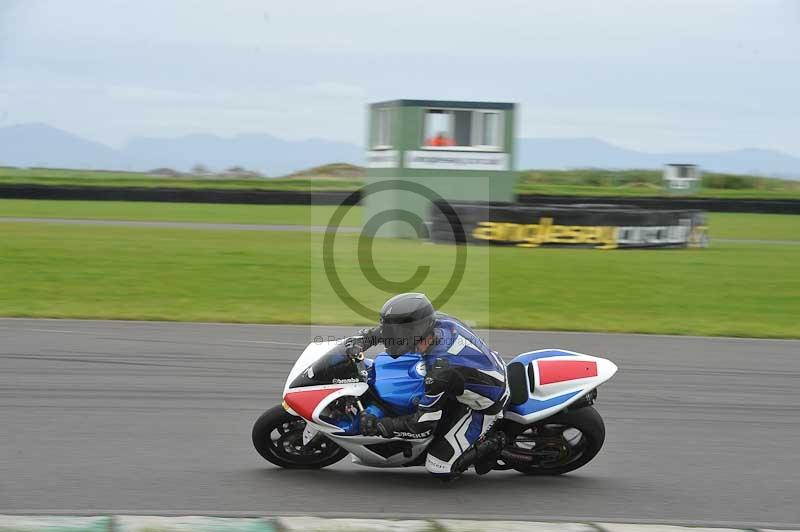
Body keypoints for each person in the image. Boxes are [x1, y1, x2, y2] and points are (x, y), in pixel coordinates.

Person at [347, 293, 509, 478]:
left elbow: (423, 423)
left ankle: (495, 442)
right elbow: (386, 331)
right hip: (474, 372)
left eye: (396, 332)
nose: (391, 336)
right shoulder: (435, 322)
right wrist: (360, 342)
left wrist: (381, 425)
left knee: (438, 466)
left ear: (414, 331)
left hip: (487, 402)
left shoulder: (439, 372)